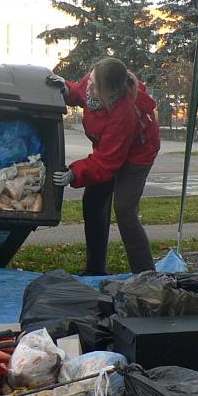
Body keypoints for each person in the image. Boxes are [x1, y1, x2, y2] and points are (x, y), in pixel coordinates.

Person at [46, 57, 160, 275]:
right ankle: (95, 268)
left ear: (109, 91)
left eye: (94, 84)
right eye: (90, 79)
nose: (89, 83)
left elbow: (107, 161)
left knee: (125, 209)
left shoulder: (124, 113)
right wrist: (65, 89)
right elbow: (80, 91)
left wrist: (74, 173)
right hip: (111, 149)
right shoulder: (96, 80)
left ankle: (146, 274)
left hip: (138, 155)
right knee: (94, 199)